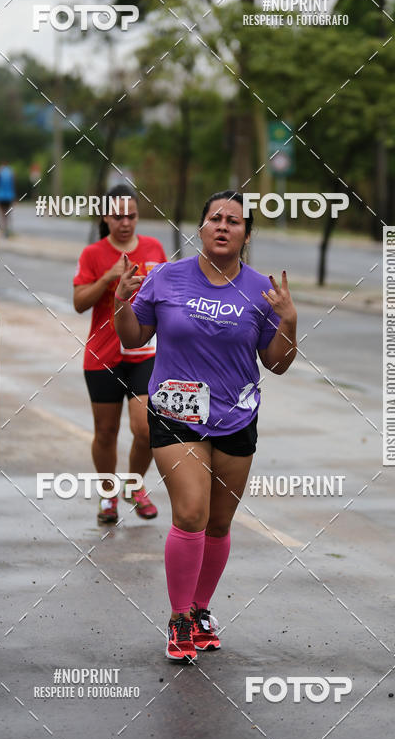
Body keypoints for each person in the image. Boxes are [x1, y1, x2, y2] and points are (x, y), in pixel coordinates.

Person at [113, 190, 297, 661]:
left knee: (218, 523)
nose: (222, 226)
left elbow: (276, 365)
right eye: (214, 217)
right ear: (200, 227)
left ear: (246, 235)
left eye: (233, 221)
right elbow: (134, 337)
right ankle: (178, 619)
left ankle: (199, 608)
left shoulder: (261, 291)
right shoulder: (167, 279)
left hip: (237, 416)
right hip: (176, 413)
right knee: (191, 512)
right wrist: (120, 304)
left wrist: (288, 321)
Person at [73, 187, 167, 525]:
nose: (125, 222)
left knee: (145, 429)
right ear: (105, 218)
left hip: (144, 353)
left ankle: (135, 485)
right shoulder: (93, 254)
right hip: (102, 357)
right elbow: (79, 303)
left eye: (131, 215)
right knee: (106, 432)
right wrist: (108, 278)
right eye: (117, 216)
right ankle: (108, 493)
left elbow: (167, 294)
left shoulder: (153, 248)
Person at [0, 162, 16, 237]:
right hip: (9, 195)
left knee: (1, 213)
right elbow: (13, 183)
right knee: (7, 213)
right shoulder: (11, 171)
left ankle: (2, 229)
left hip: (0, 195)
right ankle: (6, 229)